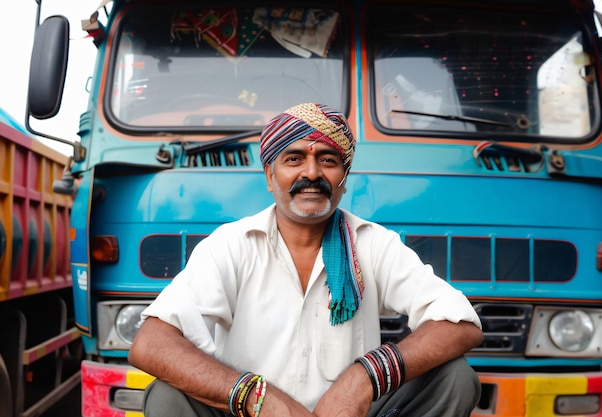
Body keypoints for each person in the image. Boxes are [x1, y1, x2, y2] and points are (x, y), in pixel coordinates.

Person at [129, 102, 484, 417]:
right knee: (166, 394)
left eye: (327, 160)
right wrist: (259, 399)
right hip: (250, 412)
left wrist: (363, 380)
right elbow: (151, 344)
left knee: (455, 377)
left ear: (343, 180)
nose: (311, 173)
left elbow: (460, 323)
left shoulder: (373, 244)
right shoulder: (231, 245)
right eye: (294, 158)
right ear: (270, 176)